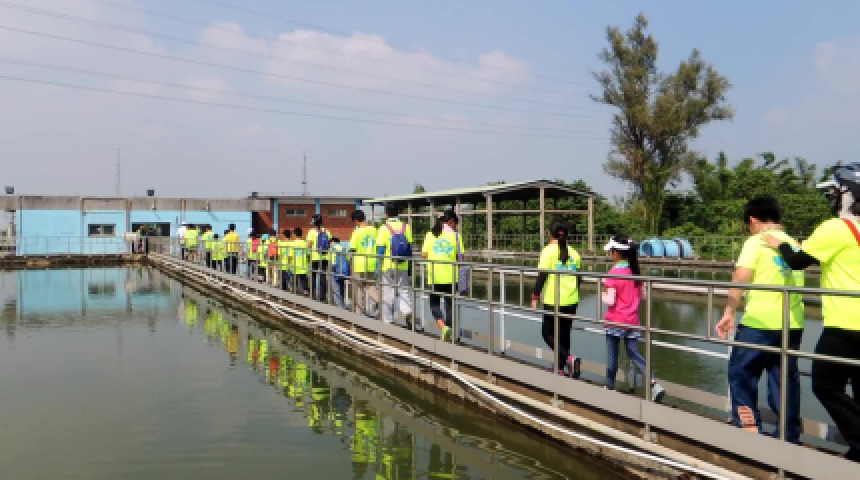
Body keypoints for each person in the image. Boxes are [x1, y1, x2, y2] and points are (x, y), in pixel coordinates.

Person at [763, 163, 860, 460]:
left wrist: (779, 245)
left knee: (825, 385)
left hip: (845, 325)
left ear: (847, 194)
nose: (831, 198)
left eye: (834, 193)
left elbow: (796, 261)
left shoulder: (835, 228)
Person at [715, 196, 804, 441]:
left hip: (759, 323)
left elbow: (741, 276)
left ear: (753, 220)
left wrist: (729, 312)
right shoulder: (792, 243)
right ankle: (788, 435)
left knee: (740, 372)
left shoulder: (756, 241)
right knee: (784, 381)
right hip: (792, 324)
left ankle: (749, 429)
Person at [602, 235, 666, 402]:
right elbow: (643, 296)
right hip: (632, 321)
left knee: (612, 355)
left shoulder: (613, 273)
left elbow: (610, 301)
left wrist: (602, 292)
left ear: (616, 253)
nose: (609, 254)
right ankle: (653, 382)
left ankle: (609, 385)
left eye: (611, 251)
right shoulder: (636, 273)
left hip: (615, 321)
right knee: (634, 354)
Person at [530, 219, 582, 378]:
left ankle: (569, 358)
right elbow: (579, 278)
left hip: (554, 300)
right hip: (572, 299)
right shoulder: (574, 252)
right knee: (564, 335)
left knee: (547, 333)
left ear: (550, 234)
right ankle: (560, 369)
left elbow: (542, 275)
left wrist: (535, 296)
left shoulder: (548, 251)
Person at [423, 210, 462, 340]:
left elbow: (424, 254)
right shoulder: (456, 236)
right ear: (450, 222)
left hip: (434, 275)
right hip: (452, 276)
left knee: (434, 304)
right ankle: (449, 331)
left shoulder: (430, 234)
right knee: (450, 305)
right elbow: (461, 257)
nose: (455, 226)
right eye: (455, 223)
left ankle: (443, 327)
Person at [375, 205, 413, 325]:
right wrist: (410, 266)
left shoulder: (384, 228)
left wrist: (378, 267)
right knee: (404, 291)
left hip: (388, 265)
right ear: (398, 214)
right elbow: (410, 248)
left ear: (387, 215)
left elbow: (381, 249)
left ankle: (388, 321)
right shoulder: (406, 227)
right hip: (403, 264)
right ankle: (407, 312)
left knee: (388, 293)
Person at [348, 210, 377, 317]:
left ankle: (359, 313)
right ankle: (377, 301)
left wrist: (349, 261)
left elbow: (353, 249)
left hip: (359, 264)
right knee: (371, 285)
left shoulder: (357, 232)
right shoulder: (374, 230)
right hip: (372, 263)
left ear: (356, 220)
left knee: (359, 288)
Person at [307, 214, 332, 302]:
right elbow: (330, 244)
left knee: (313, 276)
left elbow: (309, 245)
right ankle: (323, 296)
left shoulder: (311, 232)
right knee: (322, 277)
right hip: (325, 258)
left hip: (315, 257)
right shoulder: (327, 231)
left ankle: (312, 294)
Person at [331, 237, 348, 309]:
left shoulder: (332, 248)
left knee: (336, 288)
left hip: (336, 269)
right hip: (343, 270)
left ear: (333, 242)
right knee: (341, 287)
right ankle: (342, 303)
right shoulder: (343, 248)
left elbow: (332, 261)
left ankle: (339, 306)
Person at [292, 227, 310, 295]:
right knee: (303, 278)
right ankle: (305, 290)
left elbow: (291, 255)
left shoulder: (293, 244)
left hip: (295, 264)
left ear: (294, 234)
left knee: (295, 278)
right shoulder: (305, 243)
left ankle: (294, 289)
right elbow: (308, 254)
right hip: (303, 264)